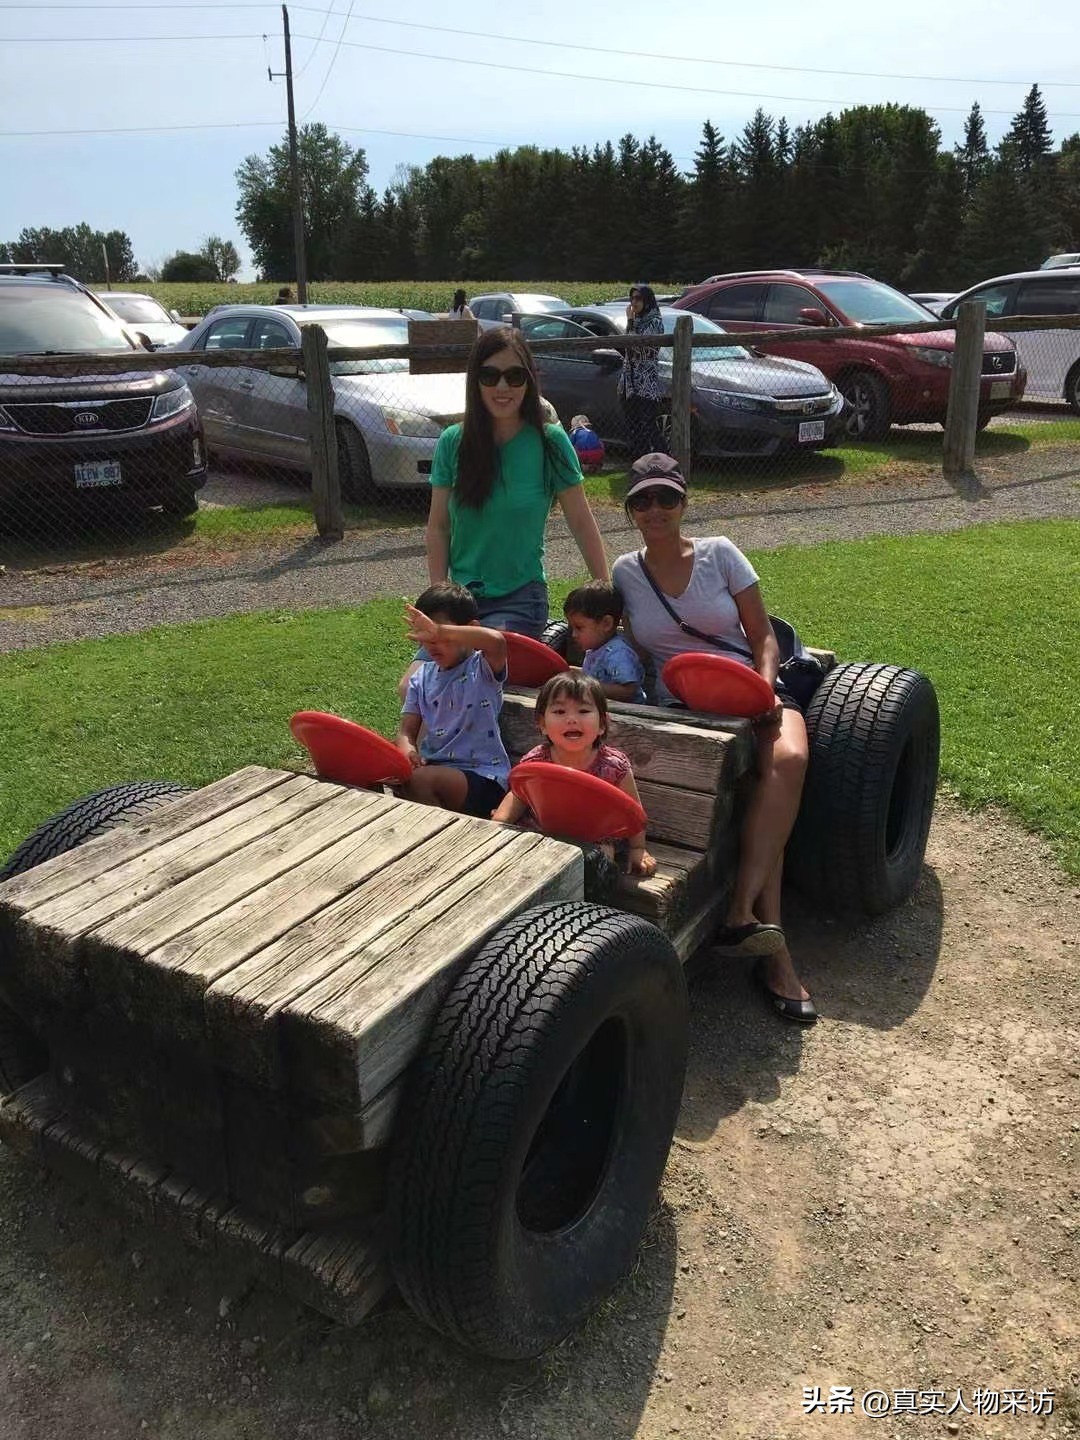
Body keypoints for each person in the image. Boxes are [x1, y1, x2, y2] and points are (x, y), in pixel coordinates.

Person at [611, 453, 816, 1024]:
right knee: (750, 793)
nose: (655, 509)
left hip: (749, 689)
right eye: (642, 500)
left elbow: (764, 635)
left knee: (788, 760)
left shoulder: (720, 552)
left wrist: (766, 691)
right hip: (681, 702)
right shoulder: (626, 572)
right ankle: (766, 944)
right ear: (630, 511)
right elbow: (627, 646)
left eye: (666, 498)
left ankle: (742, 911)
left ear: (684, 502)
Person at [405, 326, 607, 693]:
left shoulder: (550, 442)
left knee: (472, 675)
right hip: (461, 601)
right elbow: (438, 527)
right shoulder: (453, 442)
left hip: (519, 598)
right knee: (412, 687)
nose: (503, 387)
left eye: (515, 376)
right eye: (490, 375)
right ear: (475, 380)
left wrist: (603, 590)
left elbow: (580, 521)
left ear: (529, 381)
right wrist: (440, 599)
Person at [492, 674, 656, 876]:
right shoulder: (536, 762)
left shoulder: (614, 766)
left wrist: (638, 848)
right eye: (559, 711)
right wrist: (498, 824)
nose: (571, 719)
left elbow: (633, 811)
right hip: (542, 833)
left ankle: (585, 895)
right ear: (542, 724)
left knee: (603, 857)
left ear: (602, 724)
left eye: (584, 711)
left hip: (594, 838)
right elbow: (517, 796)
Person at [396, 582, 511, 817]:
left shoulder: (482, 668)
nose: (432, 644)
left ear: (470, 630)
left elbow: (497, 641)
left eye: (441, 636)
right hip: (435, 770)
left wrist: (440, 631)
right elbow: (407, 730)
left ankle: (441, 835)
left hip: (484, 778)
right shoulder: (421, 677)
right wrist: (407, 752)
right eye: (426, 636)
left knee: (420, 781)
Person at [563, 580, 646, 704]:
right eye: (572, 628)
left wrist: (586, 686)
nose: (573, 634)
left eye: (579, 628)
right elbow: (594, 674)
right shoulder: (597, 648)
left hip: (626, 712)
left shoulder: (617, 653)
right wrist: (568, 672)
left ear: (606, 624)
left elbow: (628, 691)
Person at [619, 284, 666, 460]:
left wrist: (630, 322)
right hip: (629, 383)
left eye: (638, 298)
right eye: (632, 298)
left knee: (649, 426)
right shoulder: (636, 321)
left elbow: (637, 346)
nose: (634, 302)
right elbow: (627, 346)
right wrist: (631, 323)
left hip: (646, 383)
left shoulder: (654, 322)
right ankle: (639, 462)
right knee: (634, 426)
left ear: (647, 300)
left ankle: (661, 461)